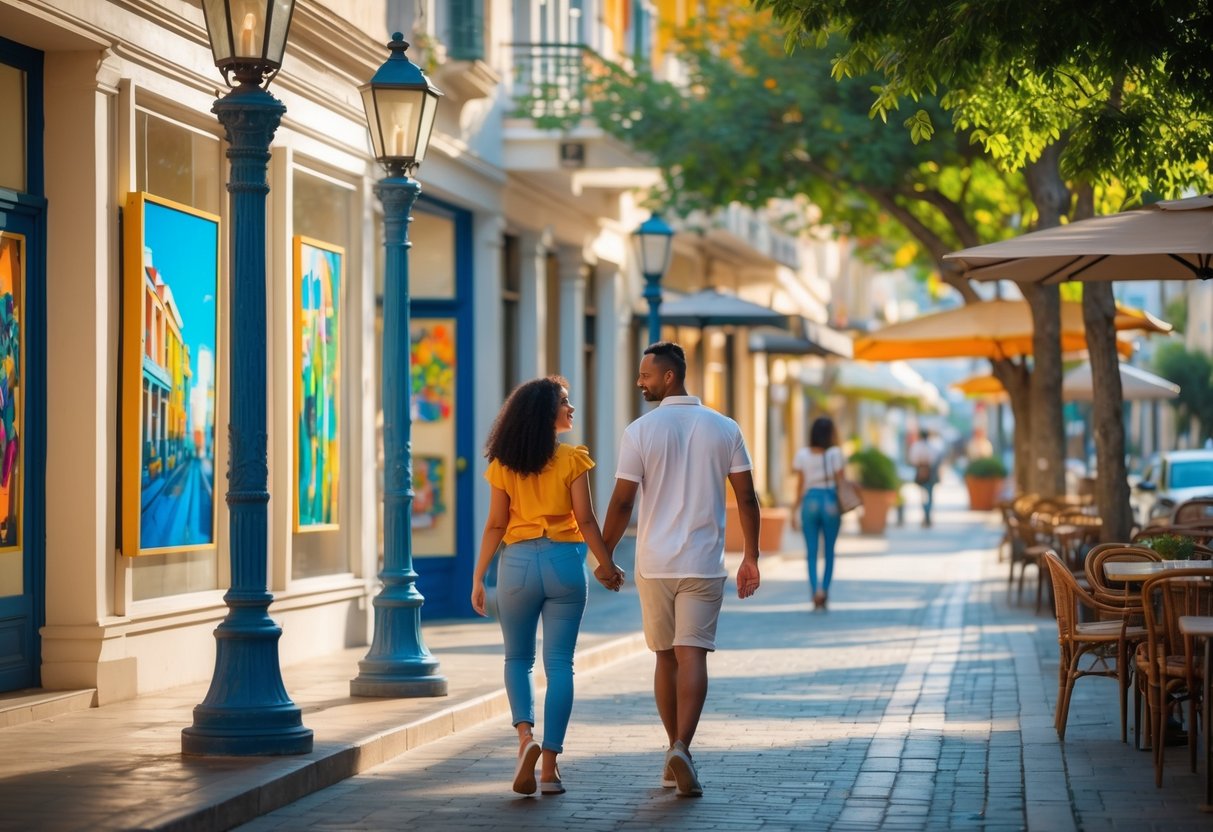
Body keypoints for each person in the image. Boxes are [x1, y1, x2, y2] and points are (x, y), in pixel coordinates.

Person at [601, 342, 761, 798]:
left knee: (665, 658)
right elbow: (747, 498)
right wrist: (751, 556)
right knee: (694, 656)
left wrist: (605, 556)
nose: (639, 381)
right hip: (704, 563)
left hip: (655, 563)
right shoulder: (725, 427)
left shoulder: (640, 431)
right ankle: (681, 748)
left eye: (645, 375)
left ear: (669, 376)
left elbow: (622, 501)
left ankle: (673, 753)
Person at [470, 377, 625, 797]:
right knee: (560, 665)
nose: (571, 408)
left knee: (517, 659)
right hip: (563, 564)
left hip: (516, 565)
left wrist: (479, 576)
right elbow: (587, 520)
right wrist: (607, 565)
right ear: (545, 414)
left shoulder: (503, 464)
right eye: (564, 402)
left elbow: (496, 524)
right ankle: (550, 768)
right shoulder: (572, 459)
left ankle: (525, 739)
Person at [791, 417, 846, 611]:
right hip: (830, 500)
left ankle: (815, 591)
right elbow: (842, 482)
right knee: (829, 551)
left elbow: (799, 485)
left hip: (810, 501)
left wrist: (794, 510)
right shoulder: (836, 454)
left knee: (811, 552)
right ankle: (825, 590)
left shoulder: (803, 455)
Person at [908, 428, 941, 527]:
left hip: (921, 471)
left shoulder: (916, 446)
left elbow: (913, 459)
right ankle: (927, 515)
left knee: (923, 495)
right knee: (929, 495)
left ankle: (926, 514)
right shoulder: (932, 447)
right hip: (929, 472)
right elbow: (935, 460)